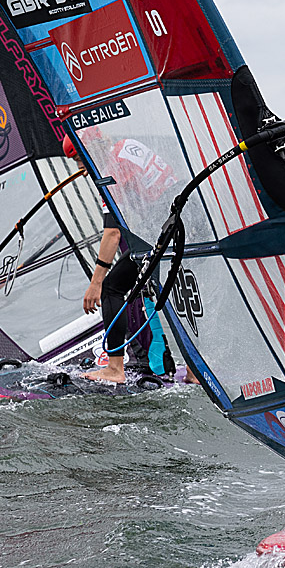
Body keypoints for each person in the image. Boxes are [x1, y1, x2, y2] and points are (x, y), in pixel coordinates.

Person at [62, 133, 179, 383]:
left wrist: (95, 282)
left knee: (111, 288)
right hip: (184, 220)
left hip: (165, 231)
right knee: (176, 294)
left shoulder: (112, 171)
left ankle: (115, 369)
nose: (82, 171)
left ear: (94, 149)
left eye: (82, 161)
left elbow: (113, 233)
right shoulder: (128, 146)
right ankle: (193, 372)